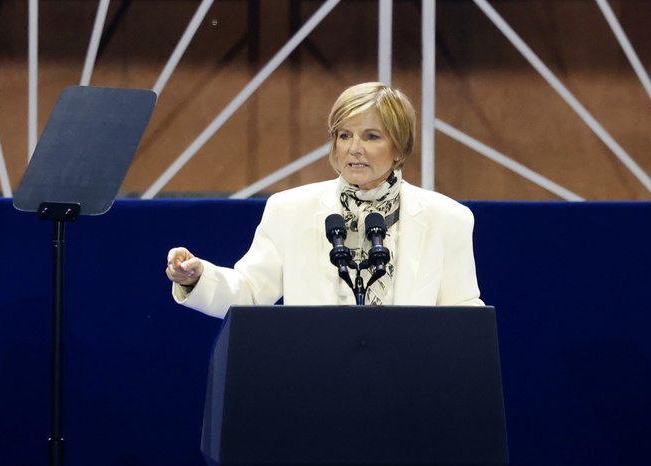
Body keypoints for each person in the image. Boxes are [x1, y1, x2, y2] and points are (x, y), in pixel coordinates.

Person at [165, 81, 484, 318]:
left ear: (400, 147)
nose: (354, 148)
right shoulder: (289, 210)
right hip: (315, 380)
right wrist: (198, 277)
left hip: (410, 387)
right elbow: (249, 292)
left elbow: (464, 315)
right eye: (344, 135)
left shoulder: (448, 218)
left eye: (371, 136)